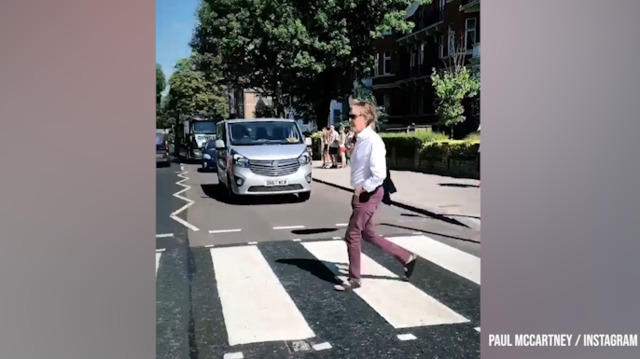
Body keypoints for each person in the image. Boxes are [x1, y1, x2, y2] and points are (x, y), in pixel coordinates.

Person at [334, 99, 417, 292]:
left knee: (352, 234)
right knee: (368, 234)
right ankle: (406, 258)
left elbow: (379, 174)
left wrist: (362, 189)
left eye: (354, 116)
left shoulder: (373, 142)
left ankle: (354, 279)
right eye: (350, 116)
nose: (350, 120)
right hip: (362, 193)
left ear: (366, 118)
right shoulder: (362, 140)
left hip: (368, 194)